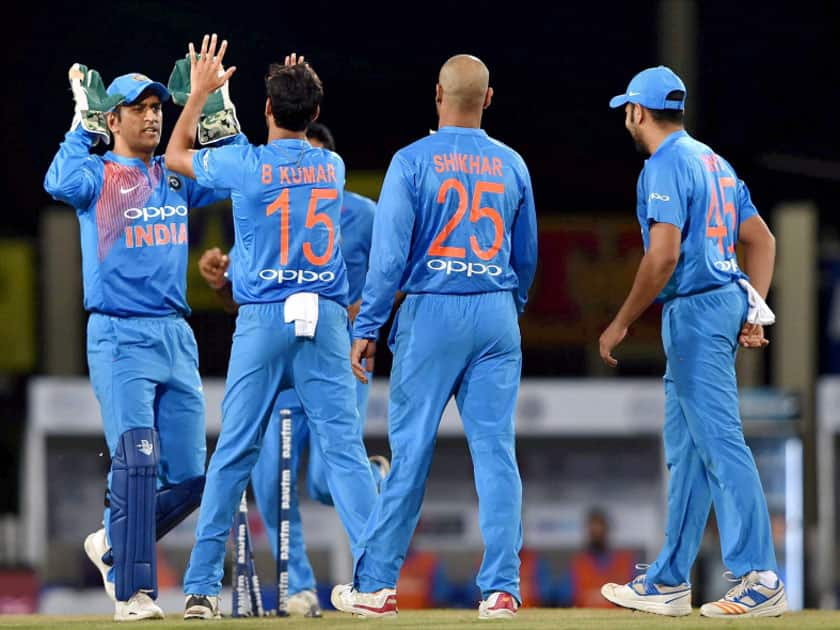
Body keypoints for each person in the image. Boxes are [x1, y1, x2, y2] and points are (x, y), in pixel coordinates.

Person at [164, 35, 378, 620]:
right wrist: (299, 88)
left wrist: (203, 95)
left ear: (265, 111)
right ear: (315, 115)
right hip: (325, 318)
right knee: (344, 452)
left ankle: (203, 588)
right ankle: (375, 581)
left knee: (234, 452)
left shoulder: (246, 165)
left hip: (262, 319)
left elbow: (176, 156)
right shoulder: (331, 167)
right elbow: (301, 135)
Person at [331, 54, 538, 620]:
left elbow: (389, 256)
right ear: (488, 99)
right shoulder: (513, 164)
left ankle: (375, 586)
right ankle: (501, 589)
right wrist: (506, 308)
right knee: (496, 453)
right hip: (496, 310)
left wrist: (368, 326)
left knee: (411, 453)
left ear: (437, 95)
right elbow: (527, 255)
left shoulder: (411, 161)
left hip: (432, 311)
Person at [43, 64, 238, 621]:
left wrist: (220, 110)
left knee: (194, 479)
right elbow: (57, 180)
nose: (154, 116)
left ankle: (111, 542)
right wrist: (82, 128)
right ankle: (133, 594)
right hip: (119, 332)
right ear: (115, 119)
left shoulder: (174, 175)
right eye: (141, 109)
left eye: (158, 108)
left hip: (175, 335)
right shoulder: (96, 175)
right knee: (135, 464)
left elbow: (238, 174)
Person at [598, 65, 786, 618]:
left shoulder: (664, 165)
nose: (626, 120)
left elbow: (663, 256)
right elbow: (763, 240)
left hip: (697, 309)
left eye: (626, 111)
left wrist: (620, 322)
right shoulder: (716, 162)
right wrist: (754, 307)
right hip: (721, 301)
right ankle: (669, 581)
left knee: (721, 443)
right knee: (687, 452)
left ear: (637, 111)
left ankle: (761, 576)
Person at [196, 121, 386, 617]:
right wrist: (220, 282)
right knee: (268, 478)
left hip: (335, 351)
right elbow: (246, 295)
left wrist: (360, 316)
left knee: (328, 478)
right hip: (282, 349)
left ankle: (377, 487)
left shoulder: (364, 214)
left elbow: (395, 274)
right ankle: (299, 586)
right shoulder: (269, 201)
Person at [556, 509, 636, 608]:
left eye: (600, 528)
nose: (597, 533)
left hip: (621, 619)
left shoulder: (625, 562)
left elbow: (639, 596)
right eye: (593, 530)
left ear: (607, 530)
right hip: (586, 620)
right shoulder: (578, 564)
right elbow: (563, 598)